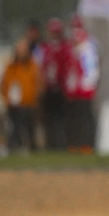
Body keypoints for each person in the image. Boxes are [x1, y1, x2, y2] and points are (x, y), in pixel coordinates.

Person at [0, 38, 42, 152]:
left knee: (29, 129)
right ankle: (14, 146)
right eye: (19, 48)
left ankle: (30, 148)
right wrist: (7, 98)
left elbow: (38, 83)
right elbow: (3, 84)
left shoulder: (32, 65)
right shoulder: (11, 66)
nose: (21, 51)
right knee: (15, 127)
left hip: (28, 103)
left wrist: (34, 98)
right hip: (14, 104)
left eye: (23, 48)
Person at [63, 20, 99, 152]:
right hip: (74, 91)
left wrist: (86, 86)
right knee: (74, 119)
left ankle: (87, 144)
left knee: (85, 119)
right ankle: (74, 143)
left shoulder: (87, 51)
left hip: (84, 91)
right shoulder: (73, 51)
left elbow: (91, 72)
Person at [40, 18, 71, 150]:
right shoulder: (44, 48)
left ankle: (62, 144)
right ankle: (50, 144)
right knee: (48, 118)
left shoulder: (65, 47)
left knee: (61, 119)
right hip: (47, 87)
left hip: (61, 87)